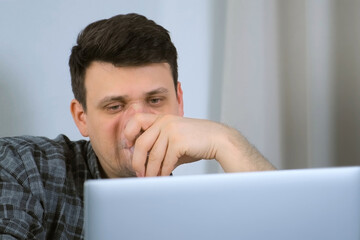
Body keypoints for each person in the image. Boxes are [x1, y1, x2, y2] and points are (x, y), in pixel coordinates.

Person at [0, 13, 275, 239]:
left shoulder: (211, 212)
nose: (138, 124)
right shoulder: (22, 168)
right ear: (81, 117)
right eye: (115, 106)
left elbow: (293, 227)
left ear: (179, 102)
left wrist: (226, 141)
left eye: (155, 100)